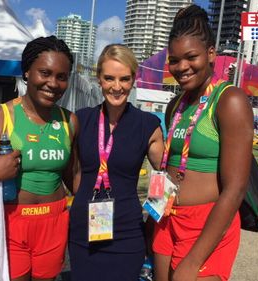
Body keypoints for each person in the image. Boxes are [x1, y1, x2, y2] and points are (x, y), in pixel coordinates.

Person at [0, 35, 78, 281]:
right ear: (26, 72)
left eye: (61, 77)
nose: (53, 83)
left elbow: (74, 174)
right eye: (44, 73)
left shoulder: (69, 121)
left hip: (54, 221)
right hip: (10, 221)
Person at [152, 5, 253, 281]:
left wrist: (194, 259)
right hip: (167, 218)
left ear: (211, 54)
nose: (181, 67)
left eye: (191, 57)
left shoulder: (230, 101)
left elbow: (235, 188)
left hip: (207, 226)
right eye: (174, 60)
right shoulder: (175, 104)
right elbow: (168, 165)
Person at [68, 44, 164, 281]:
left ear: (134, 79)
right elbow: (73, 171)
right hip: (84, 233)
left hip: (127, 234)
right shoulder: (81, 119)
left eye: (124, 79)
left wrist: (154, 216)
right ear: (99, 78)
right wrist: (83, 200)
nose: (117, 87)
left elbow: (164, 177)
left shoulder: (148, 125)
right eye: (109, 78)